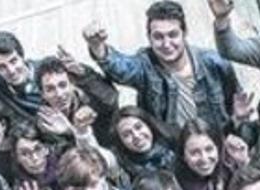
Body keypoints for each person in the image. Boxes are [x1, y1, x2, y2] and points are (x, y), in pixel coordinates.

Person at [84, 1, 242, 130]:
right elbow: (120, 69)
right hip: (172, 152)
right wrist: (97, 47)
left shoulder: (214, 63)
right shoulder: (145, 65)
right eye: (158, 37)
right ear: (149, 38)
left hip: (215, 147)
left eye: (173, 35)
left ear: (184, 33)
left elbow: (234, 103)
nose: (166, 44)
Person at [174, 119, 233, 190]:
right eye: (194, 153)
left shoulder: (229, 174)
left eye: (209, 149)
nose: (204, 159)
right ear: (183, 156)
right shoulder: (177, 188)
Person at [109, 106, 179, 182]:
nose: (136, 135)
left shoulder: (175, 141)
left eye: (138, 127)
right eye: (127, 134)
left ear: (148, 125)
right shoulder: (126, 172)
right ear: (121, 142)